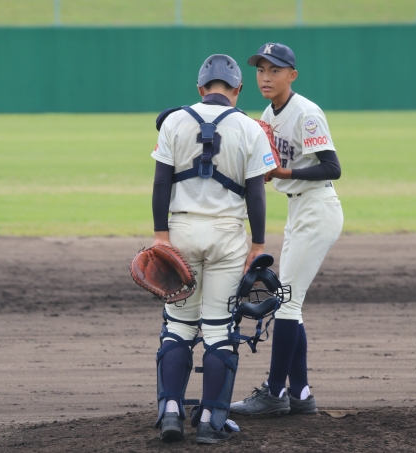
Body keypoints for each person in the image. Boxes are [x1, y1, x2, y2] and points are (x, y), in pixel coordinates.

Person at [150, 54, 276, 443]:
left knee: (178, 326)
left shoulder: (173, 121)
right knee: (220, 330)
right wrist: (257, 243)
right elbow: (256, 194)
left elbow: (161, 183)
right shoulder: (250, 128)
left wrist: (161, 236)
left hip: (182, 232)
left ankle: (171, 413)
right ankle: (210, 420)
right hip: (227, 235)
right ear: (238, 89)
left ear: (201, 89)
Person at [230, 43, 344, 416]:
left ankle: (275, 394)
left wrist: (282, 172)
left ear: (292, 75)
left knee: (287, 303)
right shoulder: (268, 113)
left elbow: (332, 167)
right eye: (261, 70)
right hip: (299, 210)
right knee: (291, 305)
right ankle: (301, 394)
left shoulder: (306, 114)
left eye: (275, 70)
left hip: (317, 207)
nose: (266, 77)